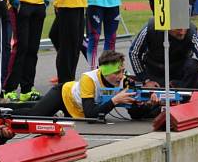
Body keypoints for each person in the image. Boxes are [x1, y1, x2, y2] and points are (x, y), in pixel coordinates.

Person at [14, 50, 159, 119]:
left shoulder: (125, 80)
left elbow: (134, 114)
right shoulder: (88, 79)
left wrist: (149, 104)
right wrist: (115, 100)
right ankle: (6, 111)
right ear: (105, 72)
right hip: (63, 96)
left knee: (37, 109)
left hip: (79, 108)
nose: (120, 76)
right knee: (35, 115)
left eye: (122, 71)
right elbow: (90, 115)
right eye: (116, 73)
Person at [129, 18, 198, 95]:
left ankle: (182, 94)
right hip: (155, 71)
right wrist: (145, 80)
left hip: (178, 70)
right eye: (177, 29)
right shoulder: (150, 28)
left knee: (194, 65)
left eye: (184, 27)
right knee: (138, 111)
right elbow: (134, 53)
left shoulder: (190, 31)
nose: (182, 32)